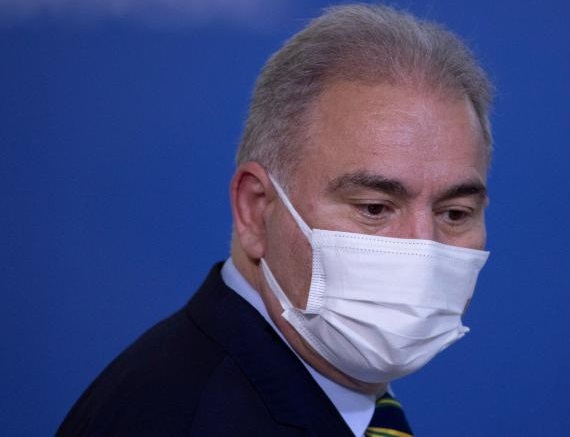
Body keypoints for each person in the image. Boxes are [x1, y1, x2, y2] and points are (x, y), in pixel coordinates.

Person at [58, 3, 494, 436]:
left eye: (454, 213)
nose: (422, 246)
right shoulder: (182, 420)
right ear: (255, 210)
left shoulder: (333, 398)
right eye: (373, 208)